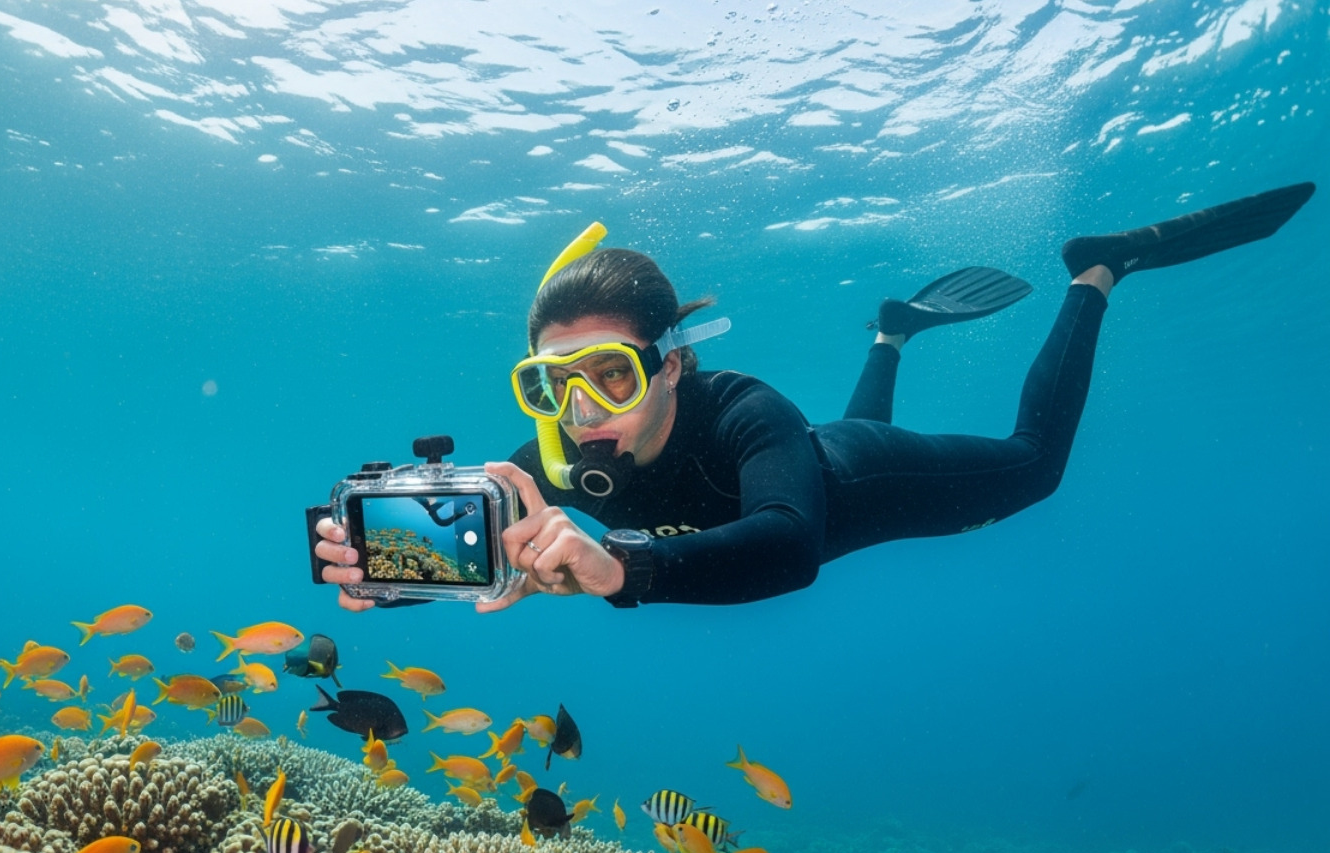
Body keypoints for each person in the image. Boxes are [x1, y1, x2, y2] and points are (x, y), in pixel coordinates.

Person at [316, 183, 1315, 610]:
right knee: (858, 413)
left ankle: (1097, 270)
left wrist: (621, 568)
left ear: (672, 365)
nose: (581, 411)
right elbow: (481, 542)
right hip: (816, 448)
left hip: (855, 480)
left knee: (1035, 468)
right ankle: (892, 331)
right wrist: (386, 576)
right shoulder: (554, 454)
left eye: (611, 374)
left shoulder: (747, 411)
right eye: (550, 382)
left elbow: (793, 547)